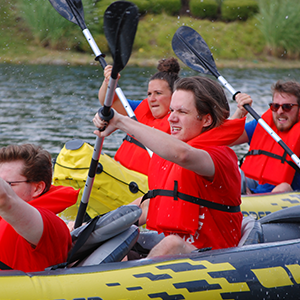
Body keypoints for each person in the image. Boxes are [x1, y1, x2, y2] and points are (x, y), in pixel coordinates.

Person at [93, 76, 245, 257]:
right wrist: (91, 230)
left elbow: (184, 155)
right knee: (114, 241)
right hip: (174, 252)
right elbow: (146, 206)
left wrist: (120, 122)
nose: (171, 118)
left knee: (171, 244)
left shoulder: (218, 156)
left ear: (206, 120)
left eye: (181, 112)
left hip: (216, 256)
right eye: (171, 110)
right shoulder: (173, 158)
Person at [0, 144, 79, 272]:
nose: (5, 187)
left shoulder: (49, 224)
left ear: (37, 188)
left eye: (8, 184)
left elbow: (5, 199)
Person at [98, 57, 180, 175]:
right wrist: (109, 82)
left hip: (145, 185)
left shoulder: (182, 121)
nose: (152, 99)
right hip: (122, 173)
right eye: (149, 94)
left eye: (158, 93)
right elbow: (108, 103)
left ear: (174, 96)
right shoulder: (141, 108)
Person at [231, 80, 300, 194]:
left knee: (283, 187)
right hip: (254, 189)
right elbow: (225, 139)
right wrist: (239, 112)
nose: (280, 111)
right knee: (230, 171)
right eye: (275, 106)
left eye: (287, 107)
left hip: (285, 198)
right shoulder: (263, 125)